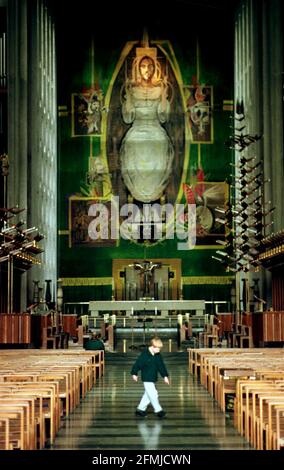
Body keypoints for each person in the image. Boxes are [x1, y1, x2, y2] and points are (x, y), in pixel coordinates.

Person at [120, 53, 174, 203]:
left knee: (161, 142)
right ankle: (137, 193)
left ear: (154, 69)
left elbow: (163, 117)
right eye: (143, 66)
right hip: (137, 129)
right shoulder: (132, 90)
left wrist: (163, 94)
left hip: (155, 129)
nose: (147, 70)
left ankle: (155, 193)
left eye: (150, 66)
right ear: (138, 69)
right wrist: (129, 96)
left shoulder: (159, 89)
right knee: (132, 144)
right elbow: (128, 118)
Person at [131, 336, 170, 418]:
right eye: (158, 349)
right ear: (153, 347)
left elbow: (161, 366)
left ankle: (140, 409)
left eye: (160, 349)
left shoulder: (157, 355)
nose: (159, 350)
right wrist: (134, 373)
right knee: (153, 394)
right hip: (146, 378)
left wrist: (165, 376)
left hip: (153, 377)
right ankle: (159, 410)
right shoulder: (145, 355)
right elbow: (138, 364)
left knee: (148, 394)